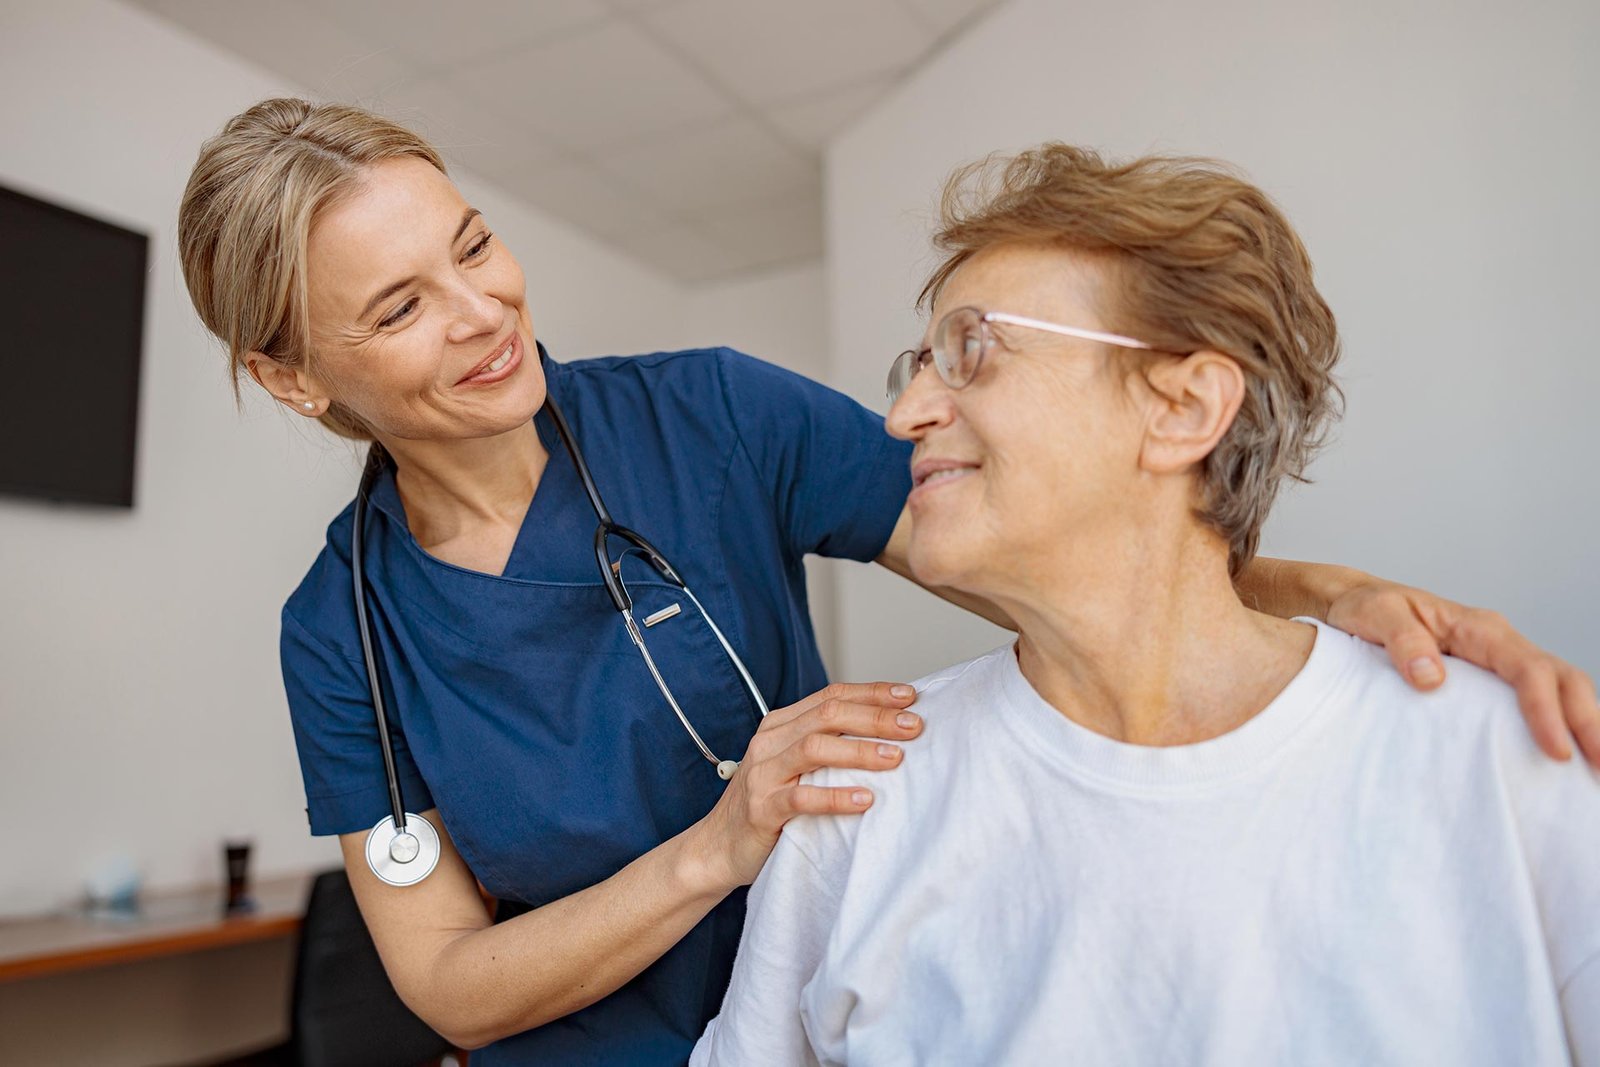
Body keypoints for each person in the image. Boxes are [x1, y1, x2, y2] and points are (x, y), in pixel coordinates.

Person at [175, 100, 1597, 1065]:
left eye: (474, 243)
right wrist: (722, 842)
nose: (482, 310)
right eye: (400, 306)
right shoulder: (341, 629)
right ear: (295, 378)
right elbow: (443, 980)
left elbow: (1073, 547)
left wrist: (1326, 598)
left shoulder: (711, 418)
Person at [691, 145, 1600, 1066]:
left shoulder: (1500, 753)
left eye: (972, 349)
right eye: (918, 365)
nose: (905, 415)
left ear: (1184, 408)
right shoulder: (858, 796)